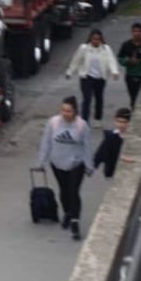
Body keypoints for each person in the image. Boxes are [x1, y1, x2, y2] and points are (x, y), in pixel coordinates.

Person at [37, 96, 93, 240]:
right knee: (64, 190)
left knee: (73, 191)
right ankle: (67, 212)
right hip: (57, 162)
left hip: (76, 163)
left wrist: (89, 165)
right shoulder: (53, 123)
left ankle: (75, 222)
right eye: (63, 110)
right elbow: (46, 142)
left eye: (68, 111)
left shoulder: (82, 126)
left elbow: (87, 146)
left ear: (75, 111)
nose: (65, 113)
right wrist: (41, 161)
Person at [64, 28, 121, 123]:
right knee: (87, 99)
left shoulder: (105, 49)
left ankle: (98, 118)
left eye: (98, 39)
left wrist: (114, 71)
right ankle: (84, 120)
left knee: (99, 98)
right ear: (90, 39)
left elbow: (111, 60)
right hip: (87, 77)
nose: (96, 41)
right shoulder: (84, 48)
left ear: (101, 39)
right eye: (94, 39)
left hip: (100, 78)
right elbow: (76, 60)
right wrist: (69, 72)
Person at [117, 23, 141, 108]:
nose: (137, 33)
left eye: (139, 31)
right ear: (131, 32)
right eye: (135, 31)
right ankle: (133, 105)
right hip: (130, 74)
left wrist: (139, 62)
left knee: (139, 95)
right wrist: (128, 61)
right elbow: (120, 58)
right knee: (132, 95)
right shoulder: (126, 45)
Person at [95, 107, 130, 178]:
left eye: (124, 122)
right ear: (115, 121)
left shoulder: (132, 138)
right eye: (118, 121)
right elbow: (100, 152)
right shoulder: (110, 136)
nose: (121, 125)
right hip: (113, 172)